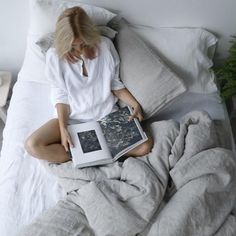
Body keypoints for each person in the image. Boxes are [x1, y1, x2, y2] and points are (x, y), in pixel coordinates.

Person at [24, 6, 153, 163]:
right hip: (73, 119)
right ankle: (91, 156)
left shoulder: (105, 46)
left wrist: (135, 104)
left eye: (83, 44)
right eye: (72, 46)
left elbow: (114, 83)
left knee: (145, 146)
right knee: (33, 145)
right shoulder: (54, 56)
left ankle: (94, 156)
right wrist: (63, 128)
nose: (78, 50)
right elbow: (61, 96)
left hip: (106, 117)